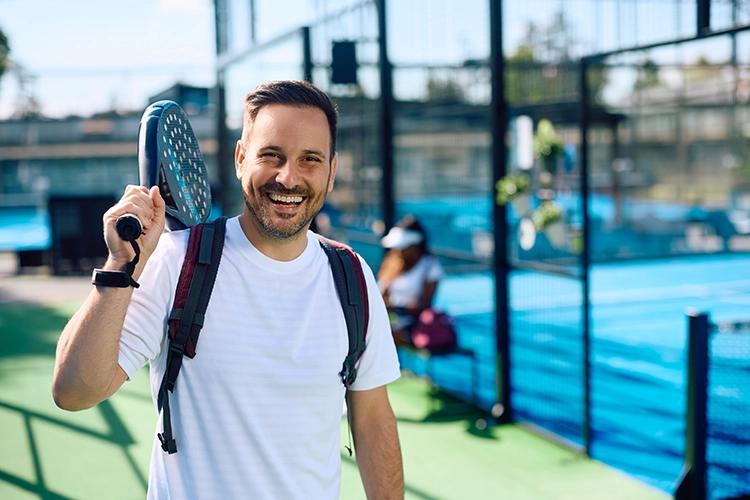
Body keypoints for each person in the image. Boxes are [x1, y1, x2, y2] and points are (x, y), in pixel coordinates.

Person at [52, 80, 404, 500]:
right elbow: (74, 392)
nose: (288, 177)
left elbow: (373, 421)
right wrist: (119, 267)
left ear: (331, 172)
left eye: (310, 159)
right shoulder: (175, 259)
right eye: (271, 155)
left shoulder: (352, 276)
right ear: (241, 159)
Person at [377, 215, 444, 347]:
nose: (397, 250)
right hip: (389, 319)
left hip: (412, 325)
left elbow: (425, 304)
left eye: (402, 246)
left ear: (415, 245)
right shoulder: (391, 262)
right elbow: (381, 294)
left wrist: (397, 309)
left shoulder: (430, 266)